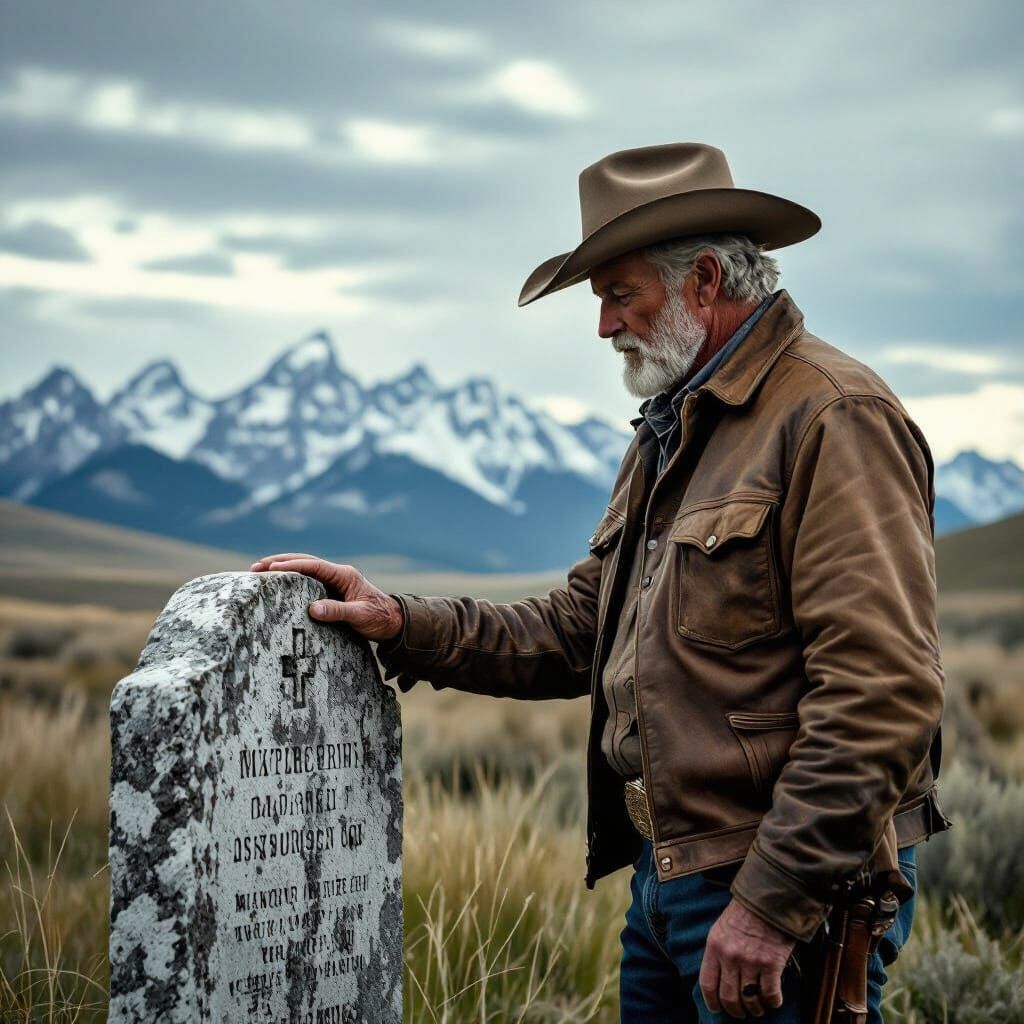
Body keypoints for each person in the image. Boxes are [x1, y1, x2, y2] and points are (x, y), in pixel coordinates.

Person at [251, 142, 950, 1022]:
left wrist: (774, 902)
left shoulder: (833, 416)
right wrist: (400, 621)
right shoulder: (673, 426)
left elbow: (883, 690)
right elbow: (582, 627)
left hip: (774, 889)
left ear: (703, 280)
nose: (604, 325)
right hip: (673, 875)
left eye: (621, 294)